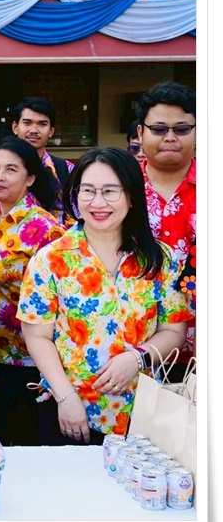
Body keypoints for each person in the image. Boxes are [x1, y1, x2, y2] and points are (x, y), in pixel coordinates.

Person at [19, 147, 190, 445]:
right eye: (88, 190)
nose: (98, 202)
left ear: (131, 196)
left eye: (110, 191)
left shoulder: (159, 259)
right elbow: (37, 336)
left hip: (144, 413)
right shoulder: (50, 259)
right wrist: (66, 397)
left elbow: (174, 331)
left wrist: (137, 359)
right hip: (71, 412)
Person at [0, 136, 65, 446]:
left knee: (19, 445)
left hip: (23, 360)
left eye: (11, 170)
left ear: (30, 178)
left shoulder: (45, 228)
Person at [136, 81, 196, 381]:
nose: (170, 137)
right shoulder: (117, 190)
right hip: (132, 353)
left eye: (182, 129)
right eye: (159, 129)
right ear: (140, 133)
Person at [0, 97, 74, 224]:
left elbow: (77, 220)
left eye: (42, 124)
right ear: (15, 127)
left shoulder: (66, 170)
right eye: (27, 123)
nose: (34, 130)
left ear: (51, 131)